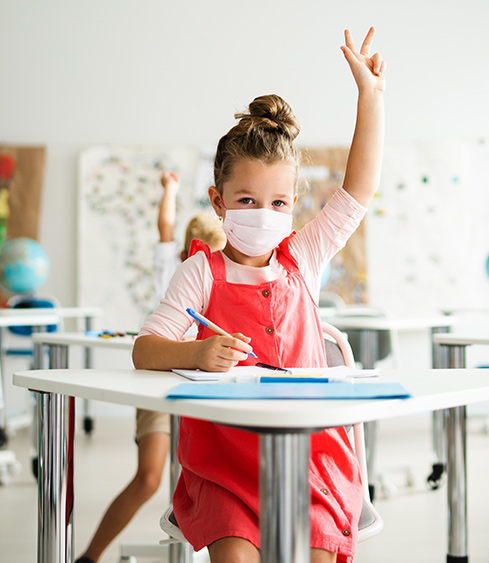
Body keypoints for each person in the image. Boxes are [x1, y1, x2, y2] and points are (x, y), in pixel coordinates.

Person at [130, 28, 384, 563]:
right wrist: (196, 353)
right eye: (246, 200)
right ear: (218, 201)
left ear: (293, 202)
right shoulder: (201, 271)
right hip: (224, 464)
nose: (263, 214)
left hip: (311, 457)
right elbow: (145, 350)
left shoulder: (305, 256)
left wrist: (371, 96)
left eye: (277, 203)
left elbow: (359, 189)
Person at [75, 172, 225, 563]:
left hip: (203, 388)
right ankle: (89, 556)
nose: (212, 265)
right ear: (187, 253)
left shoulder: (228, 277)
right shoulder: (173, 269)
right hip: (159, 384)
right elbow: (165, 227)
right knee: (149, 478)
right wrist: (169, 191)